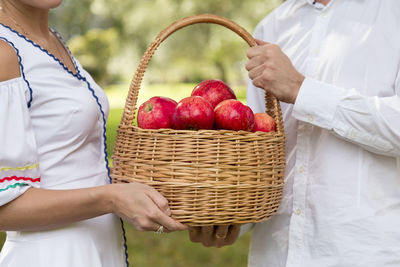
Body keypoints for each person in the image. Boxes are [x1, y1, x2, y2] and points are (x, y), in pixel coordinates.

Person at [189, 0, 400, 266]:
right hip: (275, 255)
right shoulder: (273, 26)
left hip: (360, 253)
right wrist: (232, 219)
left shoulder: (392, 13)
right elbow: (260, 148)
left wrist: (301, 90)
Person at [0, 0, 186, 266]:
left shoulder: (51, 40)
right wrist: (110, 198)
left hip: (98, 249)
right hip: (51, 256)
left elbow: (72, 163)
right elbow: (3, 206)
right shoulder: (4, 52)